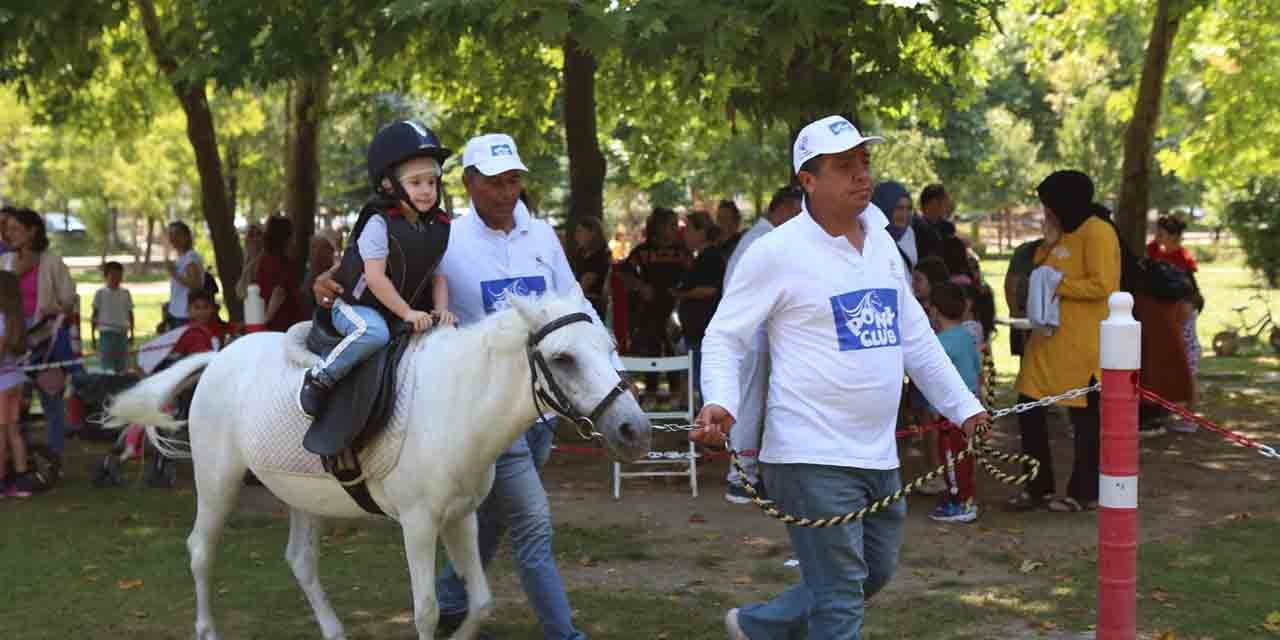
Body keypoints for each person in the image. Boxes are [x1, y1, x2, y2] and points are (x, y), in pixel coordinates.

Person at [696, 115, 987, 640]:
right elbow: (724, 338)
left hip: (877, 454)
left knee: (871, 573)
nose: (861, 175)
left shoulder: (878, 240)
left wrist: (965, 409)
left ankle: (760, 627)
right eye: (844, 165)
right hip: (808, 455)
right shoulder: (776, 253)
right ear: (808, 180)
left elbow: (915, 339)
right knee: (839, 597)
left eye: (864, 163)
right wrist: (720, 400)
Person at [314, 132, 609, 640]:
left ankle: (454, 602)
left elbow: (574, 301)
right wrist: (330, 280)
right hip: (486, 412)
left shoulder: (541, 237)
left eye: (514, 179)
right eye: (494, 182)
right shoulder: (447, 237)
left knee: (483, 513)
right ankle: (565, 634)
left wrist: (608, 371)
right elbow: (387, 269)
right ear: (470, 184)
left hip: (544, 411)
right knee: (533, 523)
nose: (507, 191)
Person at [297, 120, 456, 420]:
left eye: (431, 182)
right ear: (388, 185)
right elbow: (374, 277)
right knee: (373, 333)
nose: (426, 191)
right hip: (358, 305)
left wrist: (442, 309)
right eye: (415, 182)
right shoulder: (379, 223)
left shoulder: (437, 227)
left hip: (396, 308)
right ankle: (321, 377)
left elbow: (438, 274)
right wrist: (408, 313)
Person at [1009, 170, 1120, 513]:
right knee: (1027, 409)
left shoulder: (1098, 232)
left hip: (1080, 346)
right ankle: (1037, 486)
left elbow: (1105, 284)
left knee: (1084, 422)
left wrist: (1061, 287)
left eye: (1049, 205)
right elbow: (1041, 270)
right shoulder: (1061, 234)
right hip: (1045, 343)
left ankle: (1083, 492)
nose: (1046, 211)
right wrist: (1048, 241)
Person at [722, 185, 803, 504]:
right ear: (781, 208)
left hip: (759, 336)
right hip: (751, 337)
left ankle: (753, 472)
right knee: (749, 406)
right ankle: (741, 476)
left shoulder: (763, 238)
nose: (799, 220)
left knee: (759, 406)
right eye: (797, 212)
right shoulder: (762, 240)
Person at [1, 208, 77, 460]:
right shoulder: (5, 262)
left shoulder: (52, 262)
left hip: (45, 343)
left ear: (32, 231)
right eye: (6, 228)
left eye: (14, 228)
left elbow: (68, 300)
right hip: (12, 345)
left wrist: (51, 310)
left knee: (51, 403)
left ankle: (54, 459)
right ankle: (19, 460)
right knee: (14, 408)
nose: (8, 233)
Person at [618, 207, 691, 408]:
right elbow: (623, 272)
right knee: (651, 349)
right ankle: (650, 393)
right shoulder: (643, 251)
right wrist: (640, 286)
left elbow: (692, 275)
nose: (676, 229)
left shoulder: (682, 252)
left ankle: (676, 393)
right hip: (648, 310)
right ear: (659, 227)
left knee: (674, 350)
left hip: (675, 310)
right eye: (671, 225)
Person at [926, 282, 982, 523]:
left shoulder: (940, 343)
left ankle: (961, 501)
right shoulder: (965, 337)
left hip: (951, 415)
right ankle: (961, 494)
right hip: (969, 406)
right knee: (964, 456)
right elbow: (978, 369)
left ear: (935, 311)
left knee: (951, 457)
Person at [1147, 214, 1201, 433]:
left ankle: (1190, 417)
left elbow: (1189, 292)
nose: (1157, 236)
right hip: (1168, 316)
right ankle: (1167, 412)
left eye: (1161, 232)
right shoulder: (1156, 252)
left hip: (1182, 315)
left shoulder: (1180, 259)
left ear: (1171, 235)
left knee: (1188, 364)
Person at [673, 211, 724, 409]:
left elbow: (709, 290)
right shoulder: (699, 257)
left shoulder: (711, 257)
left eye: (689, 230)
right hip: (694, 330)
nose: (685, 235)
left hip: (704, 328)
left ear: (701, 232)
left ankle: (708, 428)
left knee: (705, 382)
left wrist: (683, 294)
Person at [0, 271, 33, 498]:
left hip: (1, 383)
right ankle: (22, 482)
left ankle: (1, 483)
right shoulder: (16, 320)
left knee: (1, 435)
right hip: (17, 380)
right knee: (14, 433)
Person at [254, 216, 305, 333]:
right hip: (282, 322)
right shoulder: (285, 264)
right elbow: (279, 293)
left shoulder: (263, 260)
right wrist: (266, 320)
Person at [92, 261, 134, 373]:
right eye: (113, 276)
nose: (116, 279)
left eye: (119, 276)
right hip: (106, 335)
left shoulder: (126, 293)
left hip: (122, 334)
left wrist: (132, 334)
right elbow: (94, 315)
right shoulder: (100, 293)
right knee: (107, 366)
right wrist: (93, 337)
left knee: (122, 365)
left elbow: (130, 314)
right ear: (106, 276)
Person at [164, 221, 206, 331]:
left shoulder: (190, 257)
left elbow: (195, 285)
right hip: (177, 312)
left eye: (177, 234)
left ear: (186, 237)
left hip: (185, 314)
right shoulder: (182, 258)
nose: (173, 238)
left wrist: (174, 273)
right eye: (171, 234)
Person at [568, 216, 610, 320]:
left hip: (593, 308)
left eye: (580, 231)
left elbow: (584, 285)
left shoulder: (601, 257)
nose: (576, 236)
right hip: (579, 302)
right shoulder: (580, 254)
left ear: (592, 233)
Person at [873, 181, 917, 267]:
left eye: (908, 208)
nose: (904, 214)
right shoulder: (869, 236)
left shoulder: (908, 232)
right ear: (885, 208)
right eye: (899, 208)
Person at [299, 233, 338, 318]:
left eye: (323, 248)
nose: (317, 252)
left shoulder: (336, 276)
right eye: (313, 247)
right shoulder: (307, 273)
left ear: (331, 251)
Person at [234, 223, 264, 302]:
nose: (255, 239)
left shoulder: (267, 259)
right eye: (251, 235)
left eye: (259, 234)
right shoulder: (247, 262)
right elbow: (240, 293)